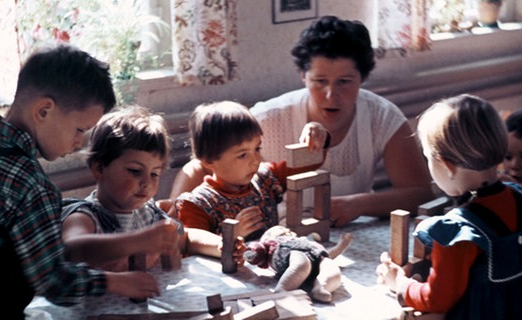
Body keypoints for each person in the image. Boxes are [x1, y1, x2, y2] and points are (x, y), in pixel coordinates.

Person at [169, 15, 433, 226]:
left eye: (345, 82)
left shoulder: (382, 115)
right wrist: (174, 222)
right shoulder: (268, 119)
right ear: (303, 77)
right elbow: (198, 167)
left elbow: (419, 193)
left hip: (349, 232)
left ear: (362, 78)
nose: (332, 95)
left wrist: (355, 205)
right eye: (319, 82)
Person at [0, 45, 169, 319]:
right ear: (44, 111)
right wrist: (115, 281)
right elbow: (54, 281)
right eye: (80, 129)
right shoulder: (31, 186)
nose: (80, 142)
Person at [376, 94, 522, 319]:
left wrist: (399, 282)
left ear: (446, 165)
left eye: (429, 159)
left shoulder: (457, 233)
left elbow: (436, 299)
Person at [174, 101, 329, 262]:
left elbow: (310, 162)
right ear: (208, 161)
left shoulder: (266, 178)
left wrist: (318, 136)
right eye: (242, 155)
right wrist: (232, 235)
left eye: (257, 149)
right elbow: (191, 245)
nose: (256, 160)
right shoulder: (196, 204)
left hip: (272, 272)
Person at [61, 105, 182, 272]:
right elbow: (72, 250)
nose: (146, 183)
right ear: (100, 169)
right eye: (135, 171)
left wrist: (218, 245)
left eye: (154, 174)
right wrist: (139, 242)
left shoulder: (148, 214)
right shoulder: (84, 216)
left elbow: (183, 239)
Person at [244, 225, 353, 303]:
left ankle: (321, 287)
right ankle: (282, 289)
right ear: (267, 238)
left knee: (330, 266)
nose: (285, 230)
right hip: (291, 254)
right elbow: (257, 251)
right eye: (279, 229)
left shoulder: (305, 241)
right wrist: (250, 254)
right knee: (301, 263)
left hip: (317, 256)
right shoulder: (274, 243)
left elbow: (327, 254)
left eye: (285, 229)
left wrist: (340, 246)